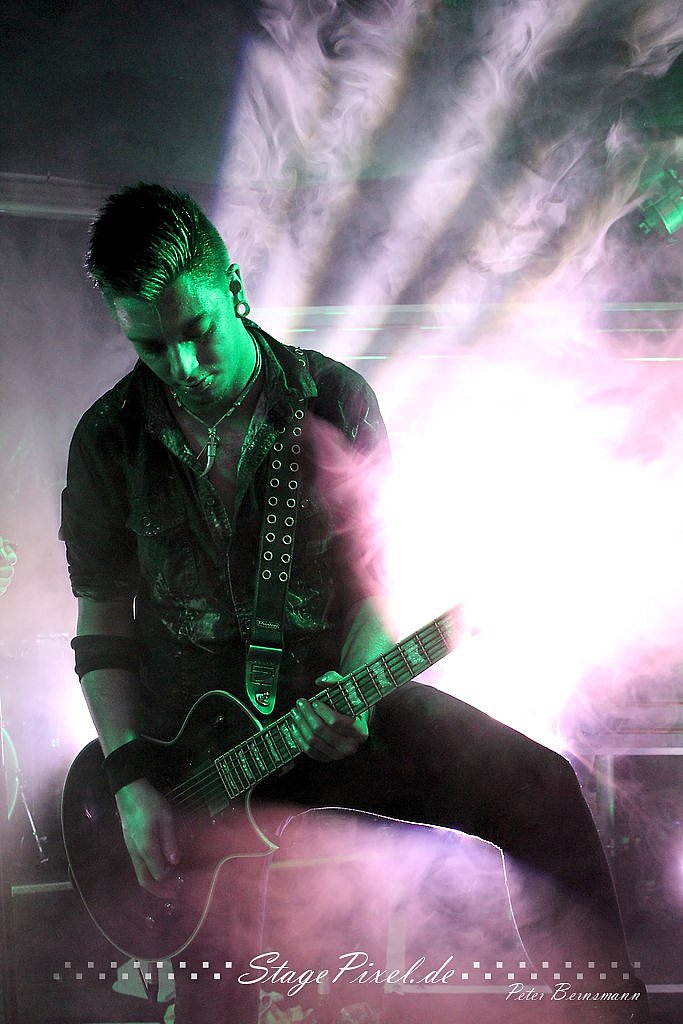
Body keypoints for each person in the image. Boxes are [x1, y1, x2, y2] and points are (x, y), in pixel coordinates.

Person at [61, 183, 648, 1024]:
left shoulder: (331, 401)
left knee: (541, 789)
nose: (182, 369)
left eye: (196, 332)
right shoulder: (106, 439)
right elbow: (102, 628)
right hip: (192, 756)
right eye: (150, 347)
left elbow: (373, 581)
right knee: (216, 991)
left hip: (328, 699)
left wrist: (359, 690)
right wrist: (128, 780)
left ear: (234, 289)